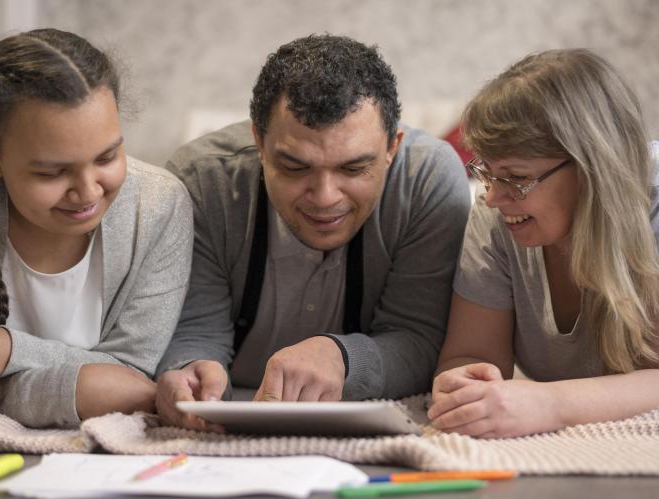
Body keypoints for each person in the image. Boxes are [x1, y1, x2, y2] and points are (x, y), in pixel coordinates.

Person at [156, 34, 470, 429]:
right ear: (259, 142)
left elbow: (421, 339)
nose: (324, 197)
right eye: (295, 167)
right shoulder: (201, 181)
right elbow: (193, 329)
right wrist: (188, 369)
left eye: (354, 169)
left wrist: (343, 358)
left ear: (393, 147)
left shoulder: (428, 179)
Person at [428, 48, 659, 438]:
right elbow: (472, 355)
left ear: (592, 167)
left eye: (517, 178)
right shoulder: (497, 213)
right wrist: (461, 387)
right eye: (487, 172)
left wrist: (549, 404)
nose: (493, 197)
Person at [0, 29, 193, 428]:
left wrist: (3, 349)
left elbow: (132, 373)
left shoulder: (160, 206)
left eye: (107, 157)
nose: (88, 192)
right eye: (52, 172)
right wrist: (80, 390)